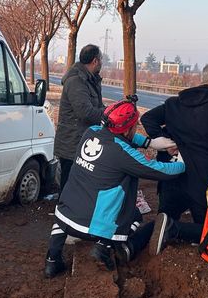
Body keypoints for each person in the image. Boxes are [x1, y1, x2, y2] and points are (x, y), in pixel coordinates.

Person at [44, 97, 182, 278]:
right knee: (134, 216)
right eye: (134, 126)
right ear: (128, 129)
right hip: (91, 226)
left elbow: (123, 137)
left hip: (65, 213)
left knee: (66, 214)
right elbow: (162, 171)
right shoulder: (123, 154)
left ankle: (52, 261)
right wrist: (183, 161)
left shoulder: (90, 132)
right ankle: (103, 247)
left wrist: (150, 143)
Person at [141, 63, 208, 253]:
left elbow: (148, 118)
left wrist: (165, 141)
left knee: (162, 219)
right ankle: (176, 229)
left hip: (170, 177)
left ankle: (130, 246)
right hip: (202, 182)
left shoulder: (175, 103)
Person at [54, 44, 105, 190]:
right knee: (68, 185)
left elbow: (97, 107)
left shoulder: (90, 80)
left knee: (79, 186)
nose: (101, 63)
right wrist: (109, 114)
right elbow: (85, 112)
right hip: (72, 143)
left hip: (83, 141)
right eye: (100, 60)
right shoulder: (77, 81)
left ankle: (73, 210)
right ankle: (62, 210)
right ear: (95, 61)